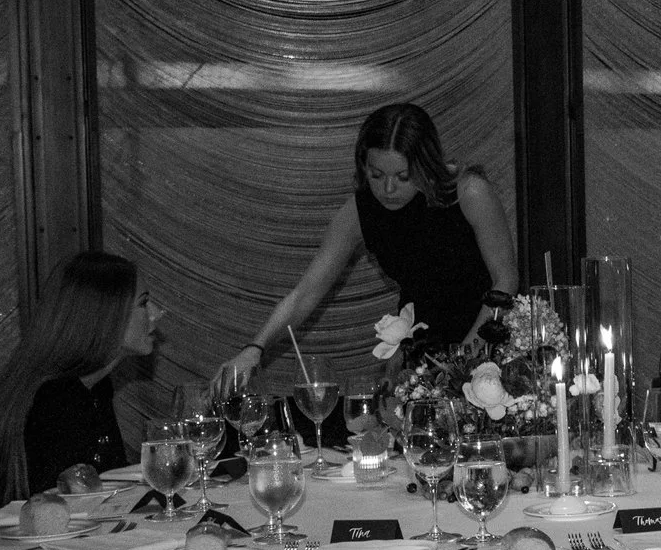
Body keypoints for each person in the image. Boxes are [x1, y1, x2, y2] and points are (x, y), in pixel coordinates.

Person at [214, 103, 516, 389]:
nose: (387, 188)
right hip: (423, 355)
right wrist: (255, 349)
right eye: (376, 174)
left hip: (487, 345)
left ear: (426, 165)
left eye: (402, 176)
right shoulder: (360, 213)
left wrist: (464, 361)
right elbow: (304, 294)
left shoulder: (468, 192)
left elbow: (505, 281)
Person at [0, 252, 163, 539]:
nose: (156, 313)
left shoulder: (92, 386)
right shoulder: (53, 401)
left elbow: (100, 488)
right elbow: (67, 512)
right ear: (104, 315)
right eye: (143, 303)